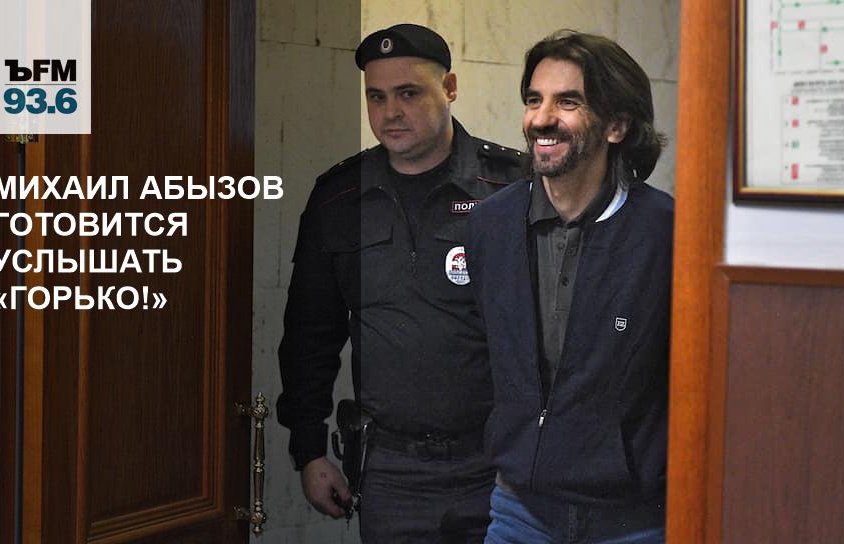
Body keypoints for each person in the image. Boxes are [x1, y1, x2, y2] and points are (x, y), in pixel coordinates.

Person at [277, 23, 523, 543]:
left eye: (408, 93)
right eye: (377, 96)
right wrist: (309, 451)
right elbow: (309, 334)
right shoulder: (339, 197)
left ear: (449, 88)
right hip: (391, 471)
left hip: (499, 465)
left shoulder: (510, 188)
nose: (390, 112)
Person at [465, 30, 672, 544]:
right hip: (519, 511)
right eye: (534, 100)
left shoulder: (667, 232)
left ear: (617, 125)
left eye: (568, 102)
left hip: (632, 519)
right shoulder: (491, 225)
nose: (541, 118)